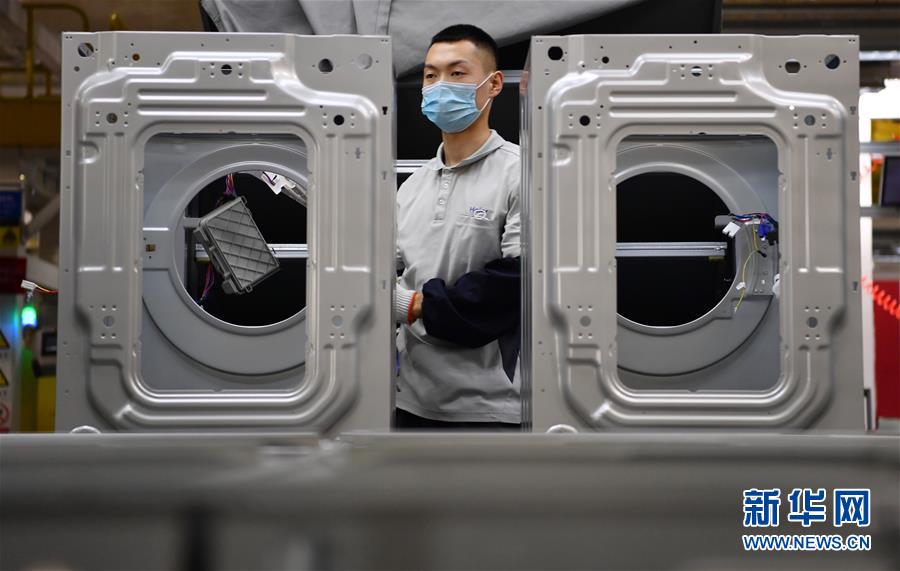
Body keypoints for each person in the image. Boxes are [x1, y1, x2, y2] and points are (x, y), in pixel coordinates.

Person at [394, 24, 521, 430]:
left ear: (494, 84)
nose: (440, 86)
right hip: (411, 401)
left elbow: (517, 284)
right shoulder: (411, 187)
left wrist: (413, 305)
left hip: (492, 408)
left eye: (457, 73)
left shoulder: (523, 174)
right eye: (431, 75)